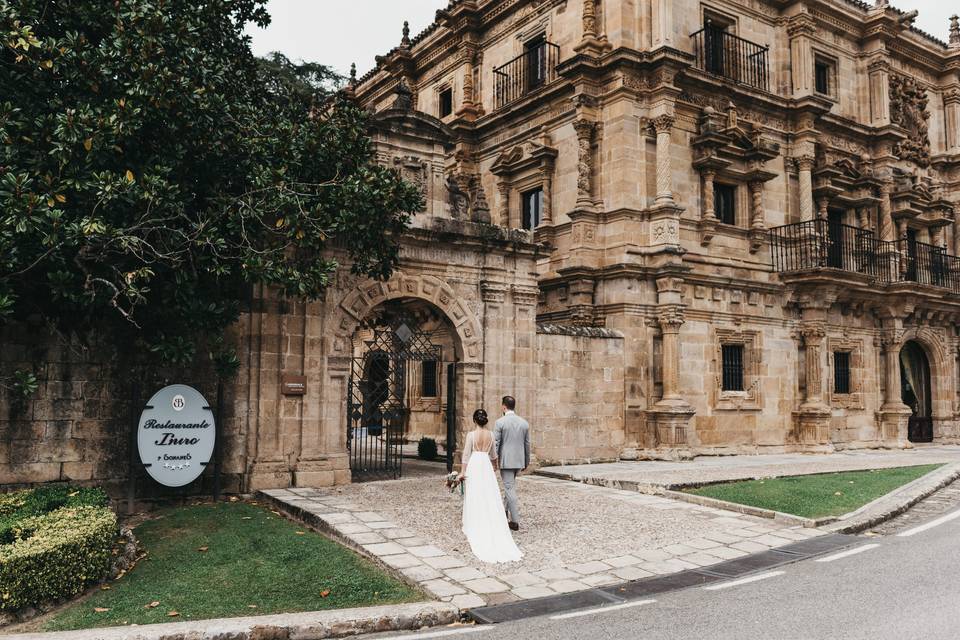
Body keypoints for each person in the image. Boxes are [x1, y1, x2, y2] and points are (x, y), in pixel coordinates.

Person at [461, 409, 522, 563]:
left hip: (475, 464)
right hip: (486, 466)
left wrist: (462, 472)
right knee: (488, 493)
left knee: (475, 493)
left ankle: (474, 522)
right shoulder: (491, 435)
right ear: (485, 421)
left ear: (474, 420)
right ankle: (489, 518)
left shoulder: (471, 435)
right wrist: (493, 467)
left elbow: (466, 455)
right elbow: (494, 455)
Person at [493, 395, 530, 531]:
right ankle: (503, 513)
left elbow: (496, 443)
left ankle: (514, 521)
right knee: (510, 487)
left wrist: (493, 460)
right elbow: (527, 444)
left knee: (509, 489)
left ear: (504, 406)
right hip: (519, 461)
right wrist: (526, 461)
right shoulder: (524, 423)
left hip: (506, 461)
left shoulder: (500, 422)